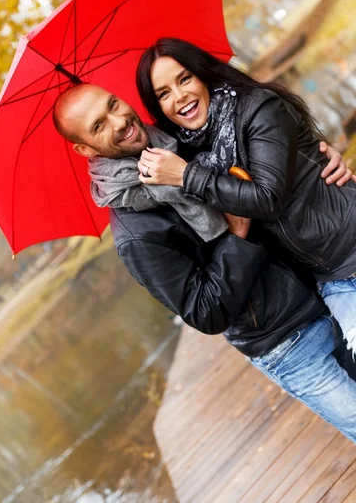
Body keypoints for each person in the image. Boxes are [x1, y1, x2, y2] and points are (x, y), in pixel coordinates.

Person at [52, 83, 356, 442]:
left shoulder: (186, 141)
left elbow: (269, 184)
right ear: (84, 149)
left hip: (324, 284)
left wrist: (322, 161)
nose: (119, 121)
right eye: (98, 126)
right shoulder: (135, 234)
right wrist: (237, 236)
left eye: (113, 105)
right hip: (287, 342)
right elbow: (204, 311)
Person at [135, 37, 356, 355]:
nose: (179, 97)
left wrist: (185, 176)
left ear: (202, 74)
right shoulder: (188, 151)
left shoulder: (258, 107)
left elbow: (268, 199)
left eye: (184, 79)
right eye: (164, 94)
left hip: (348, 246)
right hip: (325, 279)